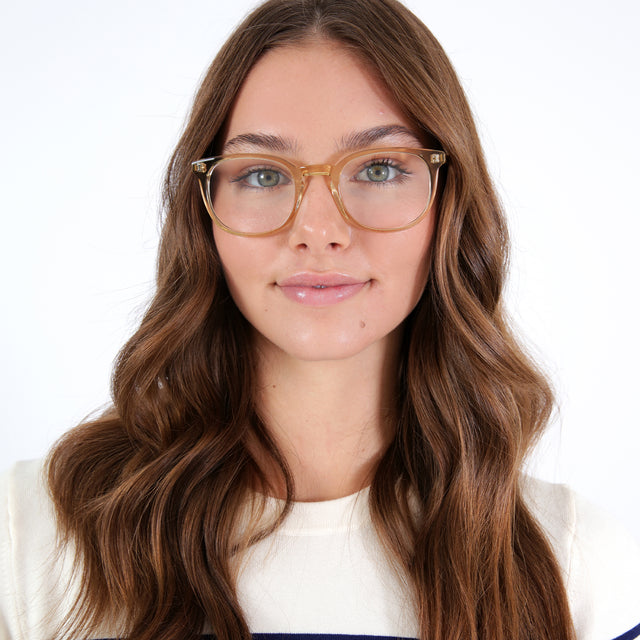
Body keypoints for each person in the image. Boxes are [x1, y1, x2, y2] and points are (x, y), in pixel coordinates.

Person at [1, 0, 639, 639]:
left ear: (450, 206)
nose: (319, 230)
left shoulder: (580, 566)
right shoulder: (29, 534)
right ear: (204, 212)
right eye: (261, 174)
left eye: (380, 168)